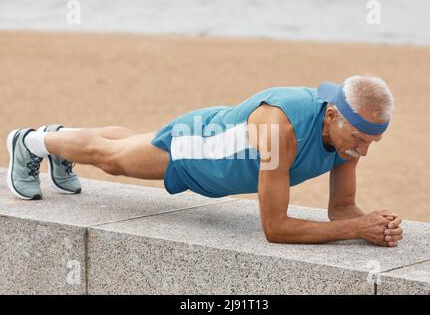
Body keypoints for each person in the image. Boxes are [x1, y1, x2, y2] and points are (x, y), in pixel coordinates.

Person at [6, 75, 403, 246]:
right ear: (332, 114)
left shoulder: (348, 138)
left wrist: (373, 227)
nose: (363, 151)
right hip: (199, 148)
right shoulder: (282, 127)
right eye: (360, 140)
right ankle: (31, 142)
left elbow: (343, 209)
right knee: (113, 160)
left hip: (219, 134)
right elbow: (275, 227)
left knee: (125, 143)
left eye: (373, 142)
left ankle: (57, 141)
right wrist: (355, 230)